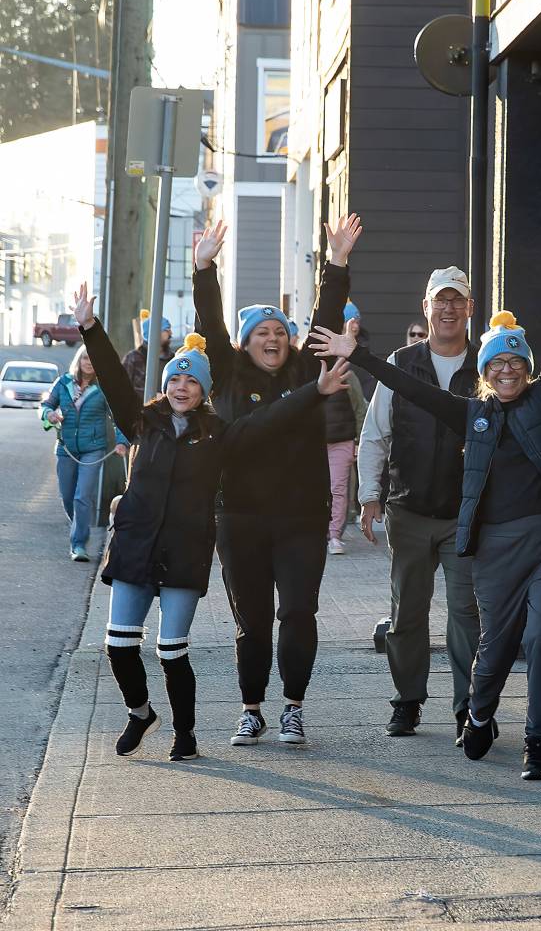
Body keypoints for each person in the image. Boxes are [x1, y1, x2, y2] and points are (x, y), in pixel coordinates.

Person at [313, 219, 541, 780]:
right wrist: (360, 355)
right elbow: (411, 389)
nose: (507, 370)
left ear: (527, 368)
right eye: (496, 365)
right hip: (495, 548)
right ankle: (479, 714)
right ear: (484, 375)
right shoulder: (474, 414)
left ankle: (538, 744)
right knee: (492, 648)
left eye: (516, 362)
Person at [72, 282, 351, 762]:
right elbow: (115, 379)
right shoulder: (143, 422)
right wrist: (90, 328)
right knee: (121, 645)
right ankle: (143, 713)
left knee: (174, 648)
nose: (181, 387)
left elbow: (266, 421)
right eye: (175, 380)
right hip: (146, 545)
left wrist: (315, 390)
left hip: (194, 547)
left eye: (192, 381)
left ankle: (192, 733)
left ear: (205, 391)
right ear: (165, 385)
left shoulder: (218, 433)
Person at [192, 215, 362, 747]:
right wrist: (204, 269)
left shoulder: (306, 372)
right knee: (253, 620)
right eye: (262, 333)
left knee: (298, 612)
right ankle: (251, 710)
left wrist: (336, 263)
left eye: (280, 332)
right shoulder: (226, 374)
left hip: (301, 518)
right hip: (239, 516)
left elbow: (326, 316)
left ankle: (292, 707)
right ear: (246, 343)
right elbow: (211, 324)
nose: (273, 338)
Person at [356, 265, 480, 741]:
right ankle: (407, 701)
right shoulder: (401, 362)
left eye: (457, 300)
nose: (448, 309)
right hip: (407, 510)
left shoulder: (485, 363)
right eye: (440, 300)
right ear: (425, 307)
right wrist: (369, 496)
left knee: (466, 615)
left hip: (465, 515)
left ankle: (469, 708)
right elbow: (375, 434)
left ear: (470, 308)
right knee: (407, 613)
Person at [40, 345, 129, 562]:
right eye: (86, 358)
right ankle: (79, 526)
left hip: (94, 449)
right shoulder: (63, 383)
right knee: (68, 497)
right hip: (66, 449)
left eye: (93, 359)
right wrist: (49, 414)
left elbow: (118, 417)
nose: (89, 363)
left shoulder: (104, 387)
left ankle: (79, 544)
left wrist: (122, 442)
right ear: (79, 360)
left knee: (82, 496)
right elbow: (45, 405)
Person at [325, 320, 369, 555]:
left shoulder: (348, 376)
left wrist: (359, 441)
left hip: (342, 439)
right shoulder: (306, 372)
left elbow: (360, 409)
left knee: (338, 488)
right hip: (313, 441)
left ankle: (334, 534)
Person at [121, 309, 174, 402]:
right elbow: (121, 387)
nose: (170, 333)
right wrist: (151, 396)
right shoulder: (133, 358)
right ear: (154, 333)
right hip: (138, 410)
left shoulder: (173, 359)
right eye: (166, 329)